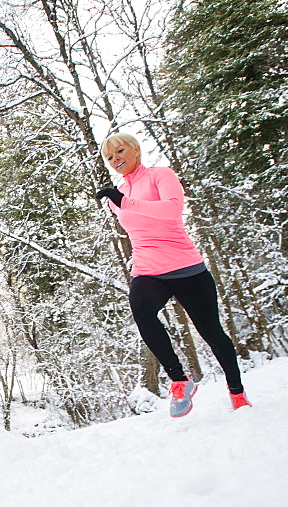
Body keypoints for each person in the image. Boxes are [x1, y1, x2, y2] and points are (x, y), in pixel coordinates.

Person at [95, 132, 251, 419]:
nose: (115, 159)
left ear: (135, 150)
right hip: (148, 269)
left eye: (119, 151)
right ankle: (180, 380)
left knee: (212, 333)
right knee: (142, 312)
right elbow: (138, 232)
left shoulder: (160, 175)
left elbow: (172, 210)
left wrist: (125, 202)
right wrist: (121, 201)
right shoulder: (116, 196)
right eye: (109, 157)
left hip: (186, 268)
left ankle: (237, 392)